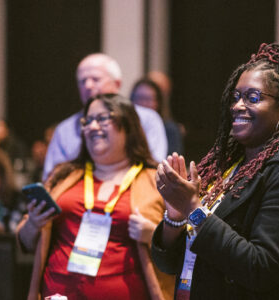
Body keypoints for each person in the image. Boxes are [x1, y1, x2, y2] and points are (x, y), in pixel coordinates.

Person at [151, 43, 279, 299]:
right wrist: (175, 215)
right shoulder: (228, 165)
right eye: (236, 97)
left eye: (253, 97)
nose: (238, 106)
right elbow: (170, 264)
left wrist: (193, 210)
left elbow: (261, 268)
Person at [16, 94, 175, 299]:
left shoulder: (156, 180)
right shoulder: (63, 176)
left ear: (127, 125)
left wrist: (154, 236)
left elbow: (181, 248)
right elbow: (26, 242)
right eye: (87, 121)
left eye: (101, 119)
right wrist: (34, 224)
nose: (91, 127)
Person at [43, 53, 168, 180]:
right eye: (82, 81)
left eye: (95, 79)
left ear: (117, 83)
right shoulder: (65, 129)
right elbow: (52, 176)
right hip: (79, 194)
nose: (88, 86)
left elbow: (154, 169)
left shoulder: (147, 119)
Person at [131, 76, 184, 155]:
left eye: (148, 99)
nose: (143, 103)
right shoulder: (125, 127)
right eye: (139, 98)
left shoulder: (170, 128)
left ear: (158, 102)